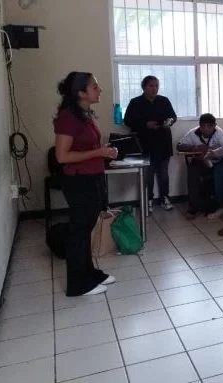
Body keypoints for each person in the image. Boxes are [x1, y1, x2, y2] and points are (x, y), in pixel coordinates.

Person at [53, 71, 117, 296]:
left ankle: (89, 273)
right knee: (79, 231)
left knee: (86, 229)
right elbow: (62, 156)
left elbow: (86, 148)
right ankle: (77, 284)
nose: (99, 90)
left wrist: (104, 152)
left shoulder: (84, 114)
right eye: (95, 87)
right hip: (78, 181)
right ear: (81, 92)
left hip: (92, 178)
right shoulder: (68, 117)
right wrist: (99, 151)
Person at [123, 75, 177, 212]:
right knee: (147, 176)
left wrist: (169, 122)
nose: (154, 88)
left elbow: (173, 116)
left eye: (156, 86)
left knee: (163, 174)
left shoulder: (164, 101)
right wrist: (145, 124)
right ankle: (148, 200)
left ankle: (165, 198)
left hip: (163, 143)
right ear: (144, 87)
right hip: (145, 144)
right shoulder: (135, 102)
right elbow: (128, 121)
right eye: (151, 86)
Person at [176, 113, 223, 219]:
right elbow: (179, 146)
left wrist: (212, 153)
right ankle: (193, 207)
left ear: (214, 126)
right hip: (200, 161)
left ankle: (215, 206)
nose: (205, 129)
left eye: (209, 126)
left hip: (217, 161)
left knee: (218, 174)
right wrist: (193, 148)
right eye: (203, 126)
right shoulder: (193, 132)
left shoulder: (219, 133)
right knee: (193, 174)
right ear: (199, 125)